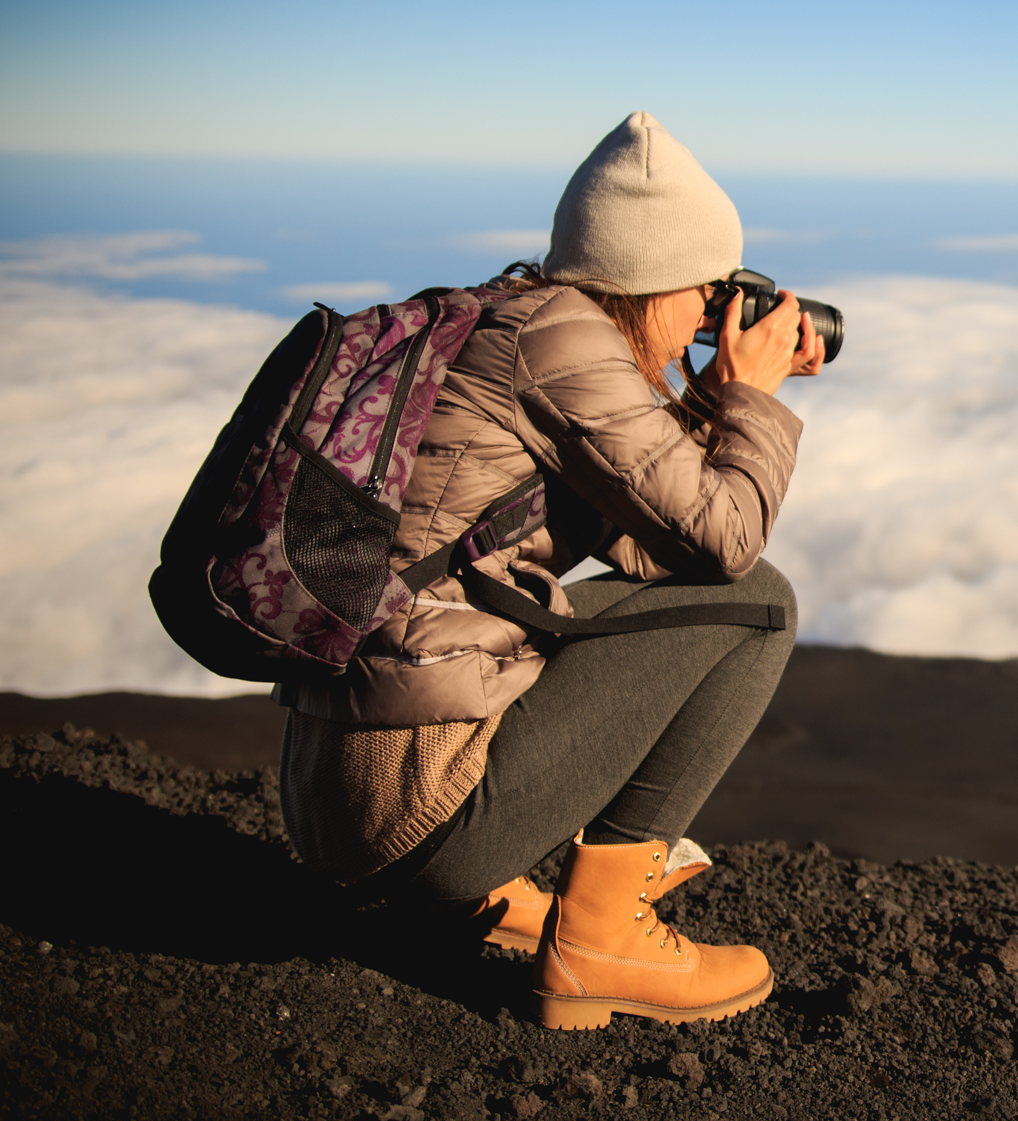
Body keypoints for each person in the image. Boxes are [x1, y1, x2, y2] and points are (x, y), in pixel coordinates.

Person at [274, 111, 825, 1031]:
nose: (709, 314)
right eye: (706, 289)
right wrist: (749, 401)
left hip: (340, 798)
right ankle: (602, 936)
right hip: (419, 807)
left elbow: (652, 545)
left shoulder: (514, 321)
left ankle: (482, 889)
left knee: (638, 602)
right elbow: (725, 545)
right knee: (760, 604)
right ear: (653, 276)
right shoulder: (565, 343)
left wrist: (716, 398)